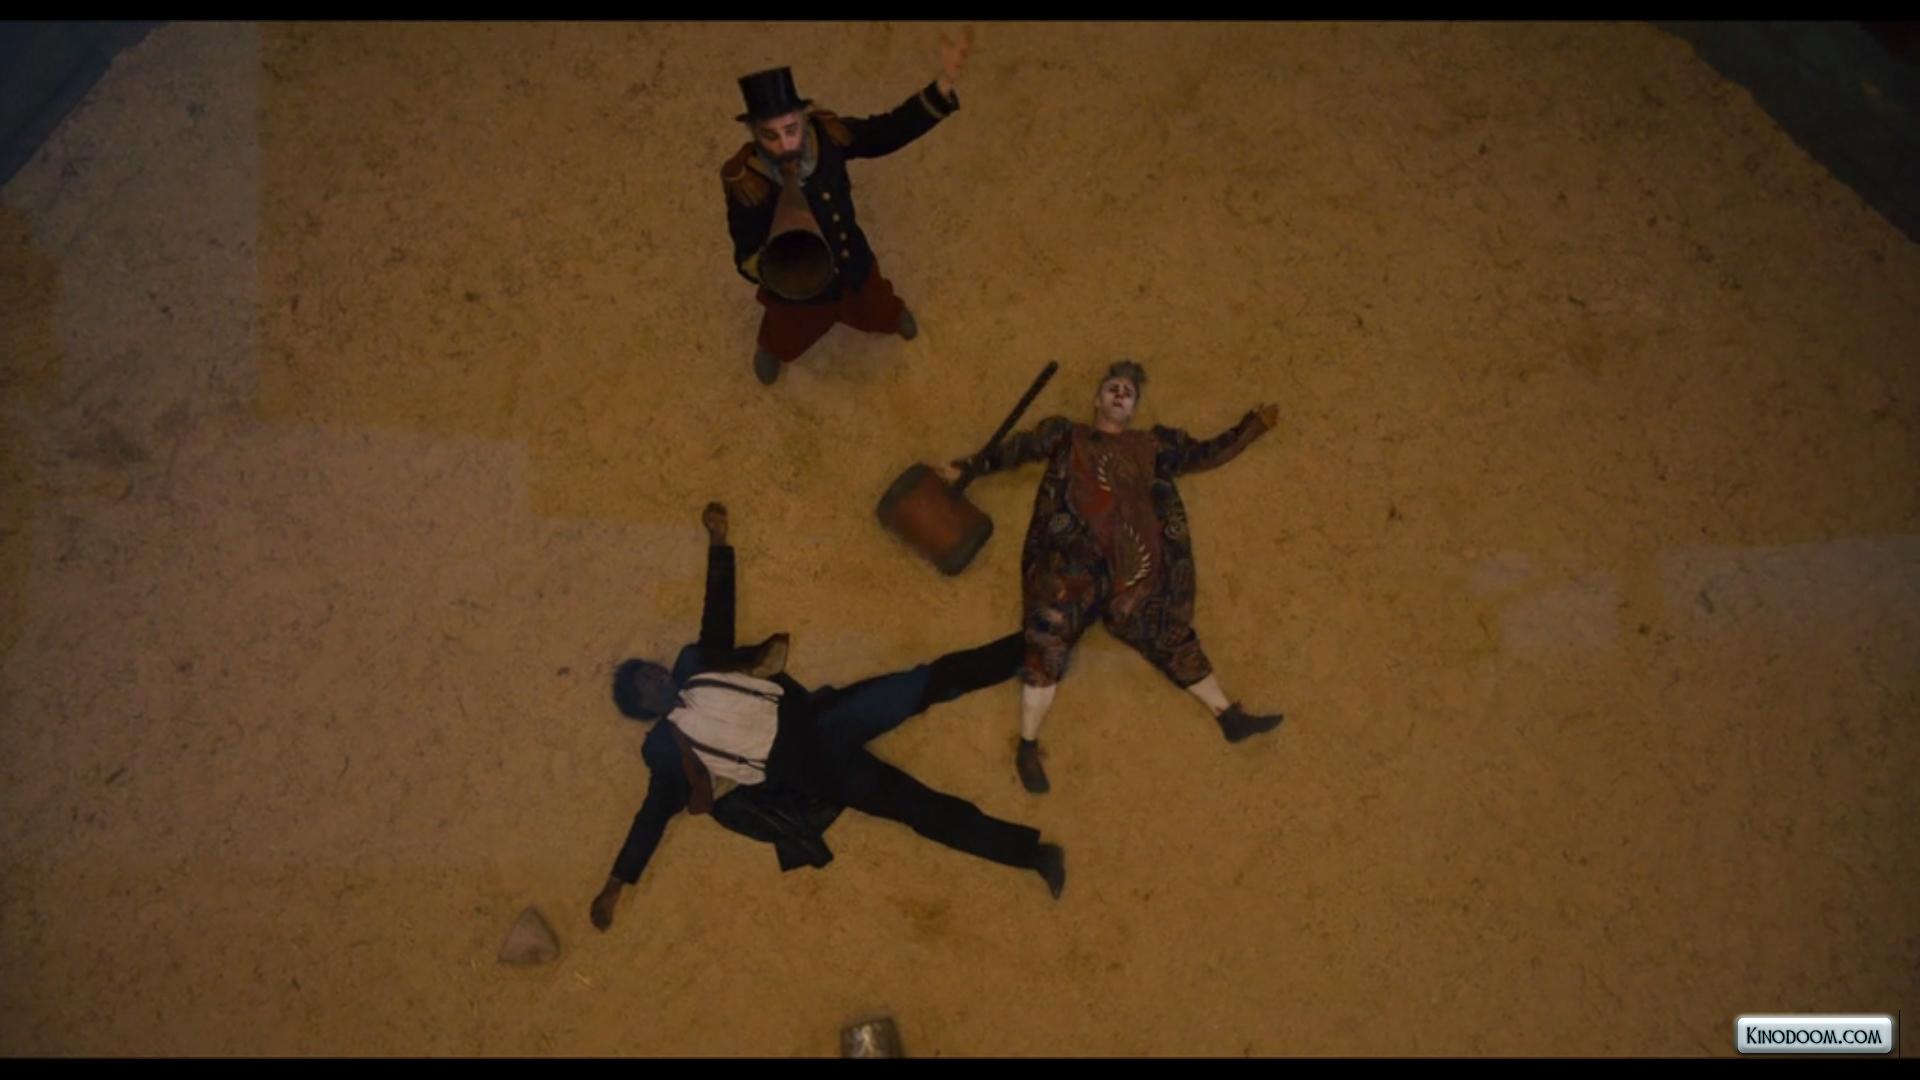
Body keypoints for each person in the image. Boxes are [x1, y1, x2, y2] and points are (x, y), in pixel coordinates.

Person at [590, 500, 1064, 932]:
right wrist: (616, 884)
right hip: (807, 768)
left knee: (926, 682)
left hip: (820, 717)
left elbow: (717, 615)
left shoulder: (694, 664)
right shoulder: (664, 749)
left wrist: (718, 542)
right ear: (643, 708)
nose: (657, 675)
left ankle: (1035, 643)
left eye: (651, 669)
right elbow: (651, 817)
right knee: (915, 806)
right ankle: (1032, 854)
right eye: (646, 683)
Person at [936, 361, 1286, 794]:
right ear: (1097, 400)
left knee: (1166, 631)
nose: (1120, 395)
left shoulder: (1152, 446)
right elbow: (1016, 449)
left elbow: (1204, 454)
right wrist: (969, 467)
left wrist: (1251, 428)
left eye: (1128, 393)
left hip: (1134, 567)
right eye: (1113, 388)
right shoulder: (1068, 436)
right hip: (1073, 560)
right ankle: (1027, 745)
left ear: (1133, 408)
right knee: (1048, 637)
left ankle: (1228, 716)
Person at [721, 29, 973, 385]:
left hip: (852, 260)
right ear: (754, 133)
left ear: (804, 117)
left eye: (791, 128)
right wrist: (777, 269)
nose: (784, 144)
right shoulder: (748, 182)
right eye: (769, 135)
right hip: (797, 291)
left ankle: (889, 317)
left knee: (878, 305)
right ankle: (773, 347)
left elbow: (886, 131)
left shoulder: (828, 137)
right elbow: (745, 248)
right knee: (787, 329)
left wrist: (943, 85)